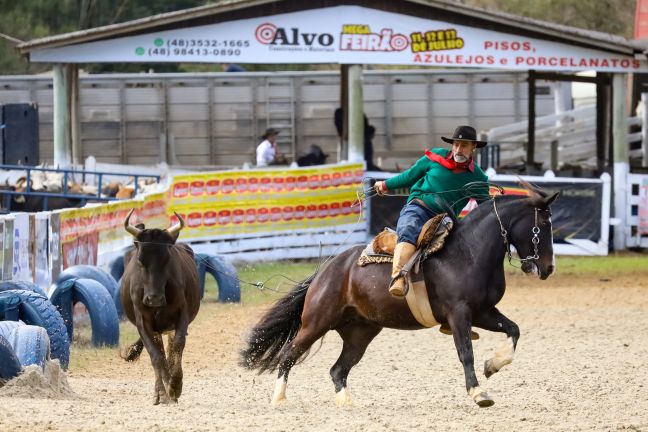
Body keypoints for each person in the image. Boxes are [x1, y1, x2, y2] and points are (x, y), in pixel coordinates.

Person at [373, 125, 490, 298]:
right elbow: (409, 176)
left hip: (446, 221)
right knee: (409, 228)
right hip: (418, 208)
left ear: (473, 147)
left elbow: (486, 207)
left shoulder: (478, 178)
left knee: (460, 252)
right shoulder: (434, 157)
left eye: (464, 145)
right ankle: (398, 278)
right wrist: (385, 185)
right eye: (456, 144)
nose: (458, 149)